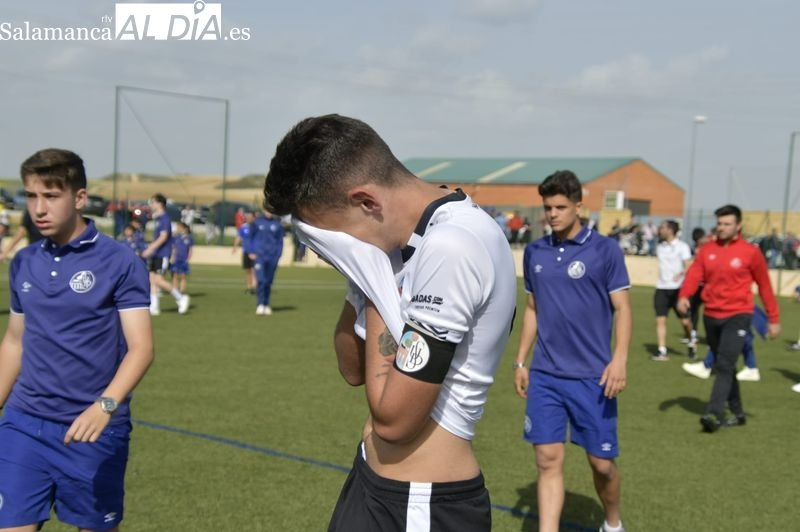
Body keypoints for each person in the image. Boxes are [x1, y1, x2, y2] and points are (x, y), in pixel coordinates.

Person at [264, 114, 517, 531]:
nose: (344, 249)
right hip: (372, 480)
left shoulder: (451, 247)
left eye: (338, 237)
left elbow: (394, 421)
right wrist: (362, 277)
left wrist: (378, 285)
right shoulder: (400, 243)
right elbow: (351, 369)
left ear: (367, 202)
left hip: (421, 502)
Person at [0, 148, 154, 531]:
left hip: (92, 429)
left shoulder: (120, 262)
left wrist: (104, 407)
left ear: (79, 198)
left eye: (51, 196)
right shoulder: (23, 262)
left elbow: (141, 349)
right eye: (31, 196)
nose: (39, 208)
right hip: (24, 424)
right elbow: (14, 343)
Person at [512, 170, 631, 532]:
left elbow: (622, 308)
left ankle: (612, 522)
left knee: (602, 465)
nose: (553, 214)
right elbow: (533, 308)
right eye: (548, 207)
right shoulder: (535, 251)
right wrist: (521, 360)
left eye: (561, 206)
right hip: (546, 375)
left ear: (579, 206)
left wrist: (620, 358)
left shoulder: (605, 250)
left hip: (593, 377)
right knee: (547, 461)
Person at [677, 204, 781, 432]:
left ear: (738, 226)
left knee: (723, 364)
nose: (722, 228)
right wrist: (685, 295)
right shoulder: (707, 250)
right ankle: (738, 412)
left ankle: (713, 413)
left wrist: (773, 318)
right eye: (719, 224)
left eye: (727, 224)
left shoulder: (750, 252)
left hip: (739, 315)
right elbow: (695, 274)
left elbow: (764, 286)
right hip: (711, 316)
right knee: (727, 365)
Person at [651, 219, 695, 361]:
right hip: (661, 288)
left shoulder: (682, 246)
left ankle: (691, 341)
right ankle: (662, 350)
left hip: (678, 290)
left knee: (685, 322)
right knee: (660, 320)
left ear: (670, 230)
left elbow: (689, 265)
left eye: (663, 228)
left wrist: (681, 274)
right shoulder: (660, 247)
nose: (660, 230)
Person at [140, 193, 190, 316]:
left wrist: (150, 248)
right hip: (156, 254)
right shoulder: (158, 219)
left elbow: (163, 237)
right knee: (152, 280)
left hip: (162, 254)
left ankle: (180, 298)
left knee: (158, 280)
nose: (151, 205)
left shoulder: (165, 219)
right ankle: (154, 307)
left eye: (153, 202)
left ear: (160, 204)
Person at [250, 209, 284, 315]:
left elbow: (280, 242)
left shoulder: (277, 225)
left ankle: (266, 304)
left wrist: (278, 255)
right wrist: (251, 251)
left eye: (271, 210)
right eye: (267, 210)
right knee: (261, 280)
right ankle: (260, 304)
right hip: (259, 256)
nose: (269, 212)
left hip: (272, 257)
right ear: (264, 210)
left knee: (268, 281)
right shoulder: (257, 223)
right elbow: (250, 237)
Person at [231, 210, 256, 294]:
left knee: (254, 270)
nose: (248, 219)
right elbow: (239, 237)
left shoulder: (257, 227)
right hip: (246, 252)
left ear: (253, 218)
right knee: (247, 270)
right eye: (247, 217)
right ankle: (249, 287)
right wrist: (235, 247)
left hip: (256, 253)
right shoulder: (243, 227)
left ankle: (255, 287)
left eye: (250, 217)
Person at [170, 221, 194, 295]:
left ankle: (182, 290)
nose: (177, 229)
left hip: (183, 259)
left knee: (183, 276)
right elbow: (173, 248)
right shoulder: (175, 237)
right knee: (175, 275)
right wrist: (172, 257)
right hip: (176, 259)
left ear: (184, 228)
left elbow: (190, 249)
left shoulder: (189, 238)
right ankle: (174, 290)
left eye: (179, 227)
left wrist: (188, 258)